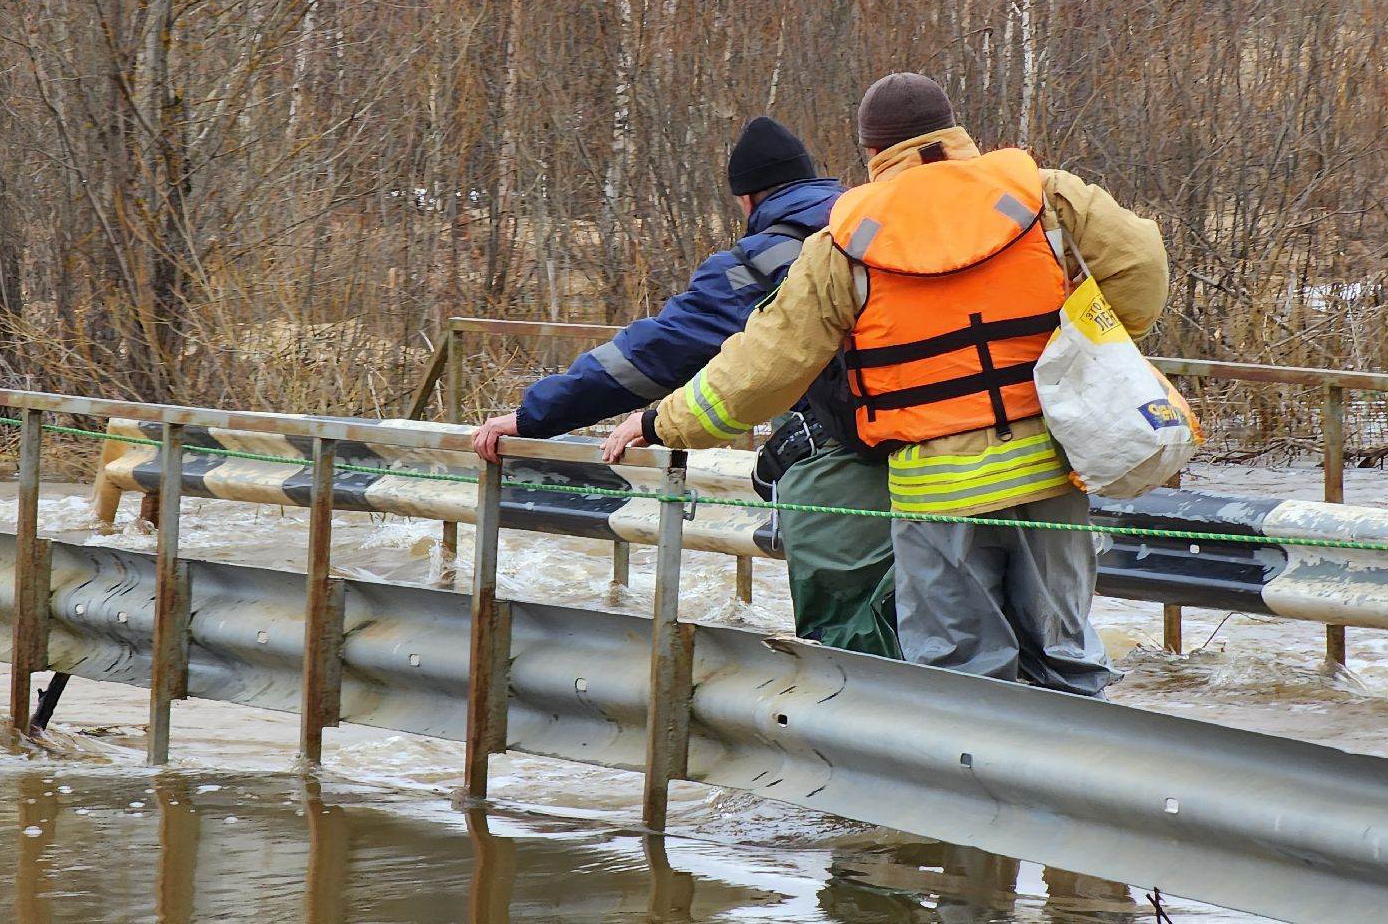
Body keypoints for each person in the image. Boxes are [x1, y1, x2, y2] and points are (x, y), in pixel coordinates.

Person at [605, 73, 1168, 696]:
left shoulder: (845, 243)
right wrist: (1071, 347)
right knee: (1063, 653)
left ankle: (968, 784)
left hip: (937, 490)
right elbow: (1141, 272)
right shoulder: (1045, 196)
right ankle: (1078, 778)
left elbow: (761, 369)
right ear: (956, 134)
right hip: (1050, 472)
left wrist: (662, 421)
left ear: (872, 153)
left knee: (959, 670)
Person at [472, 117, 901, 657]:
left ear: (747, 201)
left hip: (857, 461)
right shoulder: (880, 224)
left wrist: (536, 415)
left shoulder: (760, 263)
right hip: (965, 443)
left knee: (851, 632)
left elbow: (651, 355)